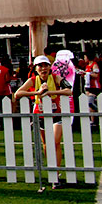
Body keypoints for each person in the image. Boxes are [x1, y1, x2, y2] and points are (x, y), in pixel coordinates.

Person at [14, 56, 72, 188]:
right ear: (35, 68)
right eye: (40, 66)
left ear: (50, 67)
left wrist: (50, 92)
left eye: (46, 65)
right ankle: (53, 171)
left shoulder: (56, 77)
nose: (43, 68)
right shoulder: (33, 80)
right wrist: (37, 93)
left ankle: (56, 173)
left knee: (56, 142)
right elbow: (17, 94)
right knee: (46, 144)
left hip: (55, 114)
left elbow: (69, 90)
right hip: (40, 115)